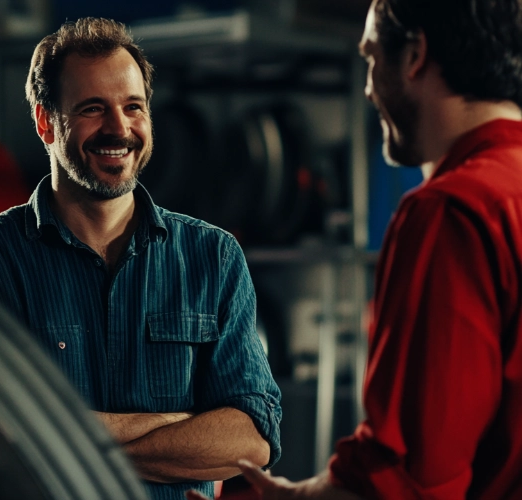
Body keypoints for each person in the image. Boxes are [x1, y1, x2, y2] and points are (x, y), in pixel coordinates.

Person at [189, 0, 522, 498]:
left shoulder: (452, 211)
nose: (367, 88)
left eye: (371, 59)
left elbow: (414, 475)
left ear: (415, 54)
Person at [0, 17, 282, 500]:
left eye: (133, 107)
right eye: (92, 109)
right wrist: (180, 428)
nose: (119, 128)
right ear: (46, 122)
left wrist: (77, 444)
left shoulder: (213, 257)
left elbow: (253, 440)